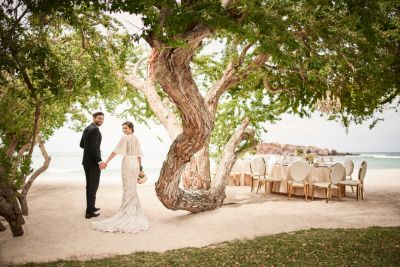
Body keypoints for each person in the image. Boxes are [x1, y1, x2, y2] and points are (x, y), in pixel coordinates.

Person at [91, 121, 149, 233]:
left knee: (128, 188)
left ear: (131, 128)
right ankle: (132, 211)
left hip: (128, 163)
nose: (124, 130)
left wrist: (106, 162)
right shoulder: (136, 138)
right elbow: (139, 155)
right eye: (123, 128)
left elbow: (115, 151)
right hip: (135, 164)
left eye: (126, 128)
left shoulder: (125, 138)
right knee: (132, 188)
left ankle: (127, 212)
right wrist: (140, 168)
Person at [80, 112, 107, 219]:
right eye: (99, 118)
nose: (101, 120)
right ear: (94, 118)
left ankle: (91, 207)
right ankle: (89, 212)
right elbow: (92, 148)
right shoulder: (95, 130)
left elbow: (82, 145)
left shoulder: (87, 128)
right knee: (93, 187)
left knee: (90, 186)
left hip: (86, 162)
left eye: (102, 119)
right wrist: (99, 161)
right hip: (93, 164)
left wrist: (93, 149)